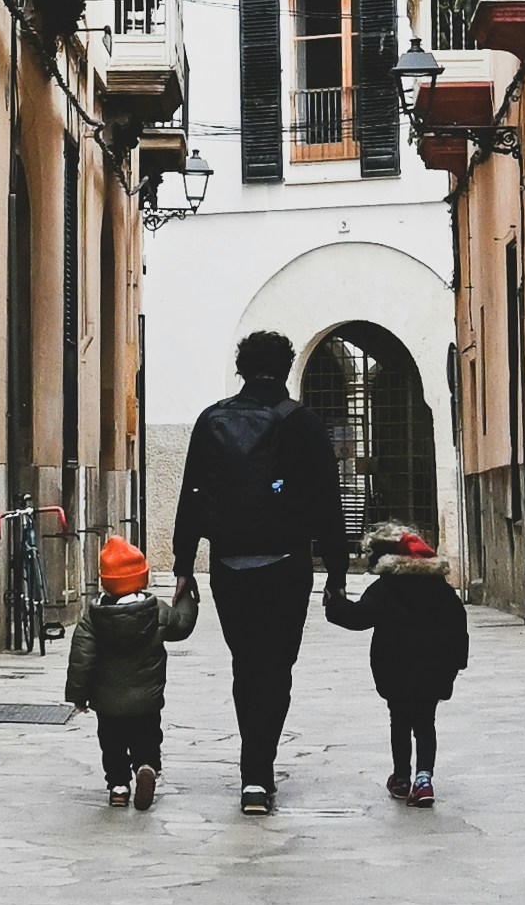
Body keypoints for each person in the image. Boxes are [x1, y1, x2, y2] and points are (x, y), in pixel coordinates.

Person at [171, 329, 351, 814]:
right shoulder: (303, 423)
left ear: (242, 369)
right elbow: (328, 503)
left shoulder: (212, 419)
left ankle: (252, 774)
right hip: (287, 567)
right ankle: (258, 774)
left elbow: (191, 494)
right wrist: (337, 571)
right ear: (288, 368)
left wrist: (184, 564)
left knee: (244, 665)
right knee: (276, 667)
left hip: (228, 565)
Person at [327, 519, 471, 803]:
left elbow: (358, 618)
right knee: (425, 723)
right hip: (434, 671)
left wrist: (335, 603)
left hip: (396, 670)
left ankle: (402, 778)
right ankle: (424, 779)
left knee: (400, 721)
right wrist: (456, 664)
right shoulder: (440, 589)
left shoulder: (386, 588)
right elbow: (459, 626)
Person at [63, 532, 191, 811]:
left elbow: (81, 659)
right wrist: (188, 597)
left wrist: (78, 696)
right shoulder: (156, 610)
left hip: (108, 704)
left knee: (112, 744)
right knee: (147, 736)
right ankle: (146, 766)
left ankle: (119, 787)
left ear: (107, 582)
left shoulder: (93, 619)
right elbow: (182, 625)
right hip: (147, 699)